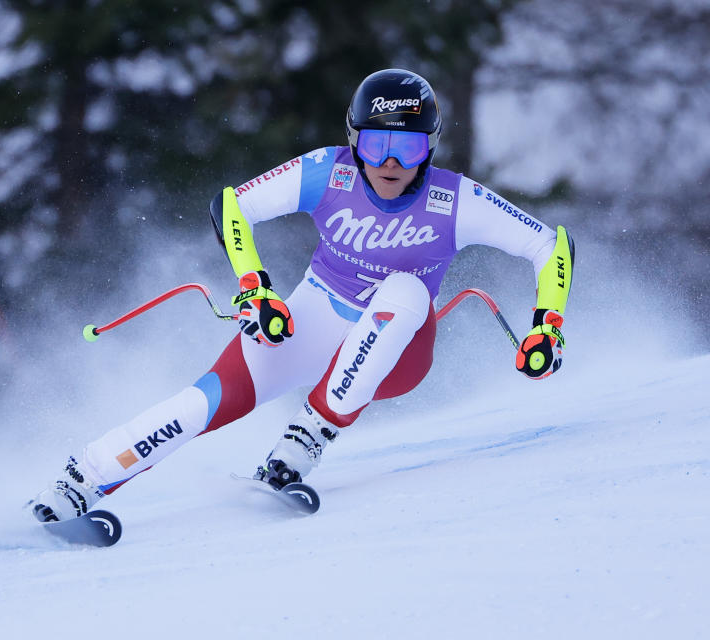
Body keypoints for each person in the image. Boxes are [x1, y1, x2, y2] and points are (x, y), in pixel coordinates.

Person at [29, 68, 574, 522]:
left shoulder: (456, 199)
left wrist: (547, 327)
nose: (389, 163)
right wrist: (256, 290)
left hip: (398, 348)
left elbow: (552, 247)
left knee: (404, 288)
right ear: (353, 139)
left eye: (406, 147)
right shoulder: (327, 171)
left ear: (428, 149)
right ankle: (80, 482)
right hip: (313, 318)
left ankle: (306, 440)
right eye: (375, 143)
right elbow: (231, 205)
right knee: (206, 401)